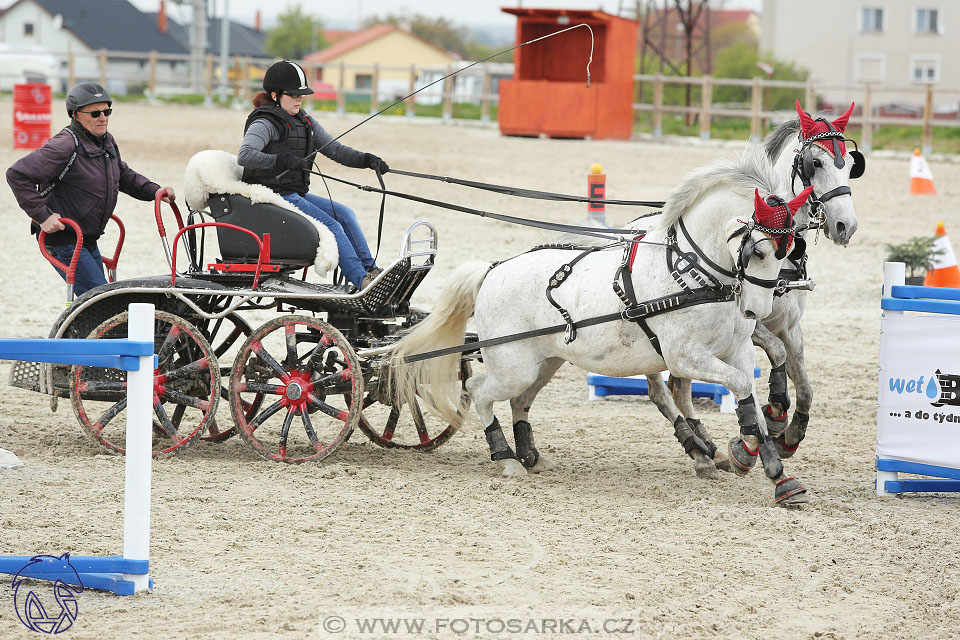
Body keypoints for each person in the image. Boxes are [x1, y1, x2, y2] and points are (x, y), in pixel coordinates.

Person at [6, 82, 176, 297]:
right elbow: (17, 174)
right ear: (76, 115)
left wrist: (155, 191)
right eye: (95, 113)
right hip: (63, 239)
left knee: (102, 300)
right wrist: (43, 217)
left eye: (107, 111)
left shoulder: (106, 141)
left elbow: (122, 174)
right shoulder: (65, 144)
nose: (103, 117)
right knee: (102, 302)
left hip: (86, 238)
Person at [237, 59, 389, 291]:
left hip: (294, 193)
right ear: (276, 94)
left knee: (346, 214)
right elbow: (245, 155)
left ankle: (372, 271)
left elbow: (336, 150)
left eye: (302, 95)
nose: (300, 98)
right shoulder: (264, 122)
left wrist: (366, 160)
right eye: (294, 95)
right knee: (333, 226)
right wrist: (281, 159)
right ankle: (361, 281)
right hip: (272, 197)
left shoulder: (304, 121)